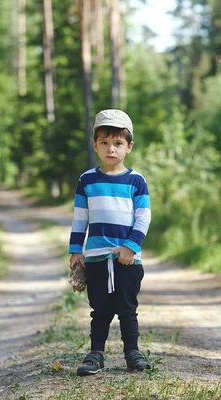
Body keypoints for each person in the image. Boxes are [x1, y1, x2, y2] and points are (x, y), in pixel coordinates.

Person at [69, 109, 152, 376]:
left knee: (128, 308)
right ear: (95, 145)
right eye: (104, 143)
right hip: (95, 258)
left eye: (117, 143)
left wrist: (131, 246)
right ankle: (96, 354)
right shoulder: (87, 180)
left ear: (129, 146)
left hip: (126, 258)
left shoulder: (136, 181)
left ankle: (132, 352)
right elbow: (80, 219)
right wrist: (75, 251)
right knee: (100, 309)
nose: (110, 149)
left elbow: (143, 217)